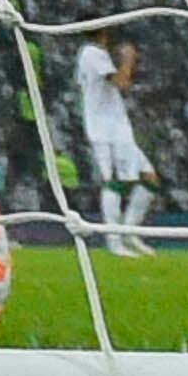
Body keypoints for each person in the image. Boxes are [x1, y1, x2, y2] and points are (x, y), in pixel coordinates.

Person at [72, 22, 156, 255]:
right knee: (115, 181)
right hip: (106, 129)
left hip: (115, 126)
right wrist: (128, 60)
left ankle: (129, 231)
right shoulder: (93, 53)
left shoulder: (89, 54)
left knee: (150, 179)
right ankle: (114, 240)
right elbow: (121, 83)